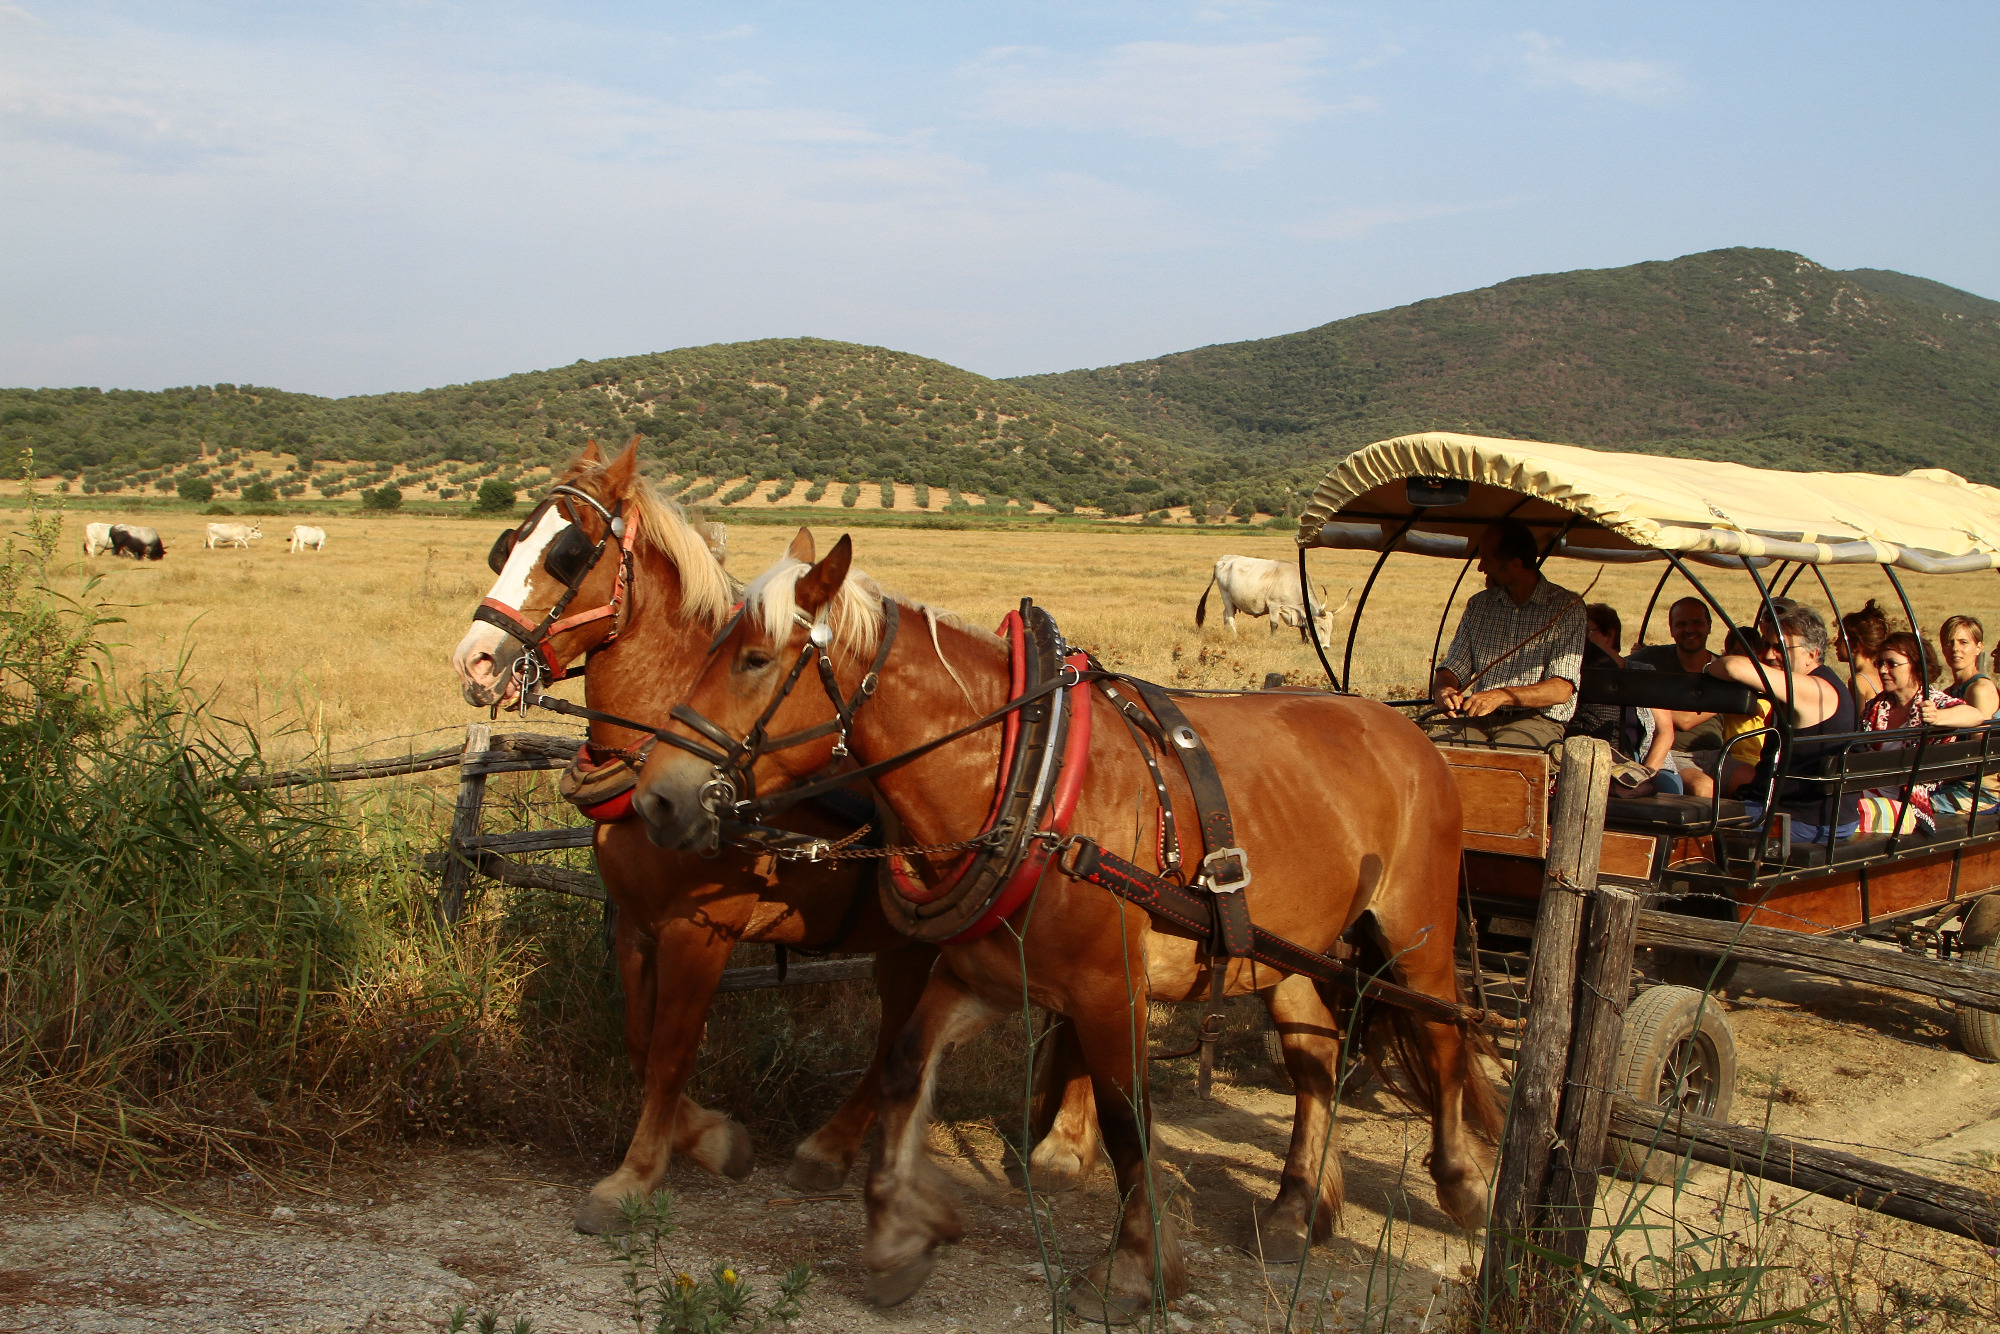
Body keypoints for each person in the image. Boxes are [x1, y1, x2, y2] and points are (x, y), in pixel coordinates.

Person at [1429, 519, 1587, 762]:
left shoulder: (1566, 608)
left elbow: (1561, 689)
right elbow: (1454, 666)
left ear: (1514, 564)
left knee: (1500, 763)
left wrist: (1502, 695)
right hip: (1479, 719)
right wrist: (1445, 689)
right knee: (1428, 755)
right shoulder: (1480, 605)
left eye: (1488, 560)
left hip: (1537, 721)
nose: (1481, 568)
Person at [1705, 600, 1858, 846]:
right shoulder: (1807, 685)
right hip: (1798, 810)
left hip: (1808, 821)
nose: (1767, 655)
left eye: (1780, 648)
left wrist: (1709, 666)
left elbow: (1733, 666)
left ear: (1812, 654)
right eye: (1766, 645)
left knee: (1695, 822)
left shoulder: (1815, 689)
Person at [1854, 631, 1982, 834]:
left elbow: (1974, 715)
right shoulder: (1876, 707)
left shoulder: (1932, 702)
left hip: (1906, 803)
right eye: (1880, 663)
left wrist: (1938, 718)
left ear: (1916, 665)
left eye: (1892, 664)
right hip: (1867, 789)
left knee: (1843, 816)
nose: (1884, 670)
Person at [1572, 603, 1680, 793]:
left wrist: (1647, 773)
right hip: (1596, 759)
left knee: (1668, 788)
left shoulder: (1643, 673)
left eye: (1588, 631)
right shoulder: (1577, 676)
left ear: (1610, 635)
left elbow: (1665, 732)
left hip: (1645, 759)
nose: (1581, 638)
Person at [1678, 628, 1773, 800]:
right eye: (1736, 653)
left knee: (1758, 782)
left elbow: (1757, 708)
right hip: (1729, 754)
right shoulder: (1721, 685)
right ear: (1726, 655)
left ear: (1758, 658)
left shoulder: (1761, 694)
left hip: (1752, 759)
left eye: (1749, 655)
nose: (1742, 660)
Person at [1934, 615, 2000, 818]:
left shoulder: (1980, 690)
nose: (1955, 648)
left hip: (1978, 792)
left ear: (1978, 648)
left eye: (1964, 642)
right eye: (1949, 642)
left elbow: (1979, 754)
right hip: (1953, 783)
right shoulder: (1950, 691)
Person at [1836, 599, 1892, 710]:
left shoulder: (1858, 681)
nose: (1835, 643)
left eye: (1840, 638)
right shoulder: (1880, 673)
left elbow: (1858, 722)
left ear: (1855, 646)